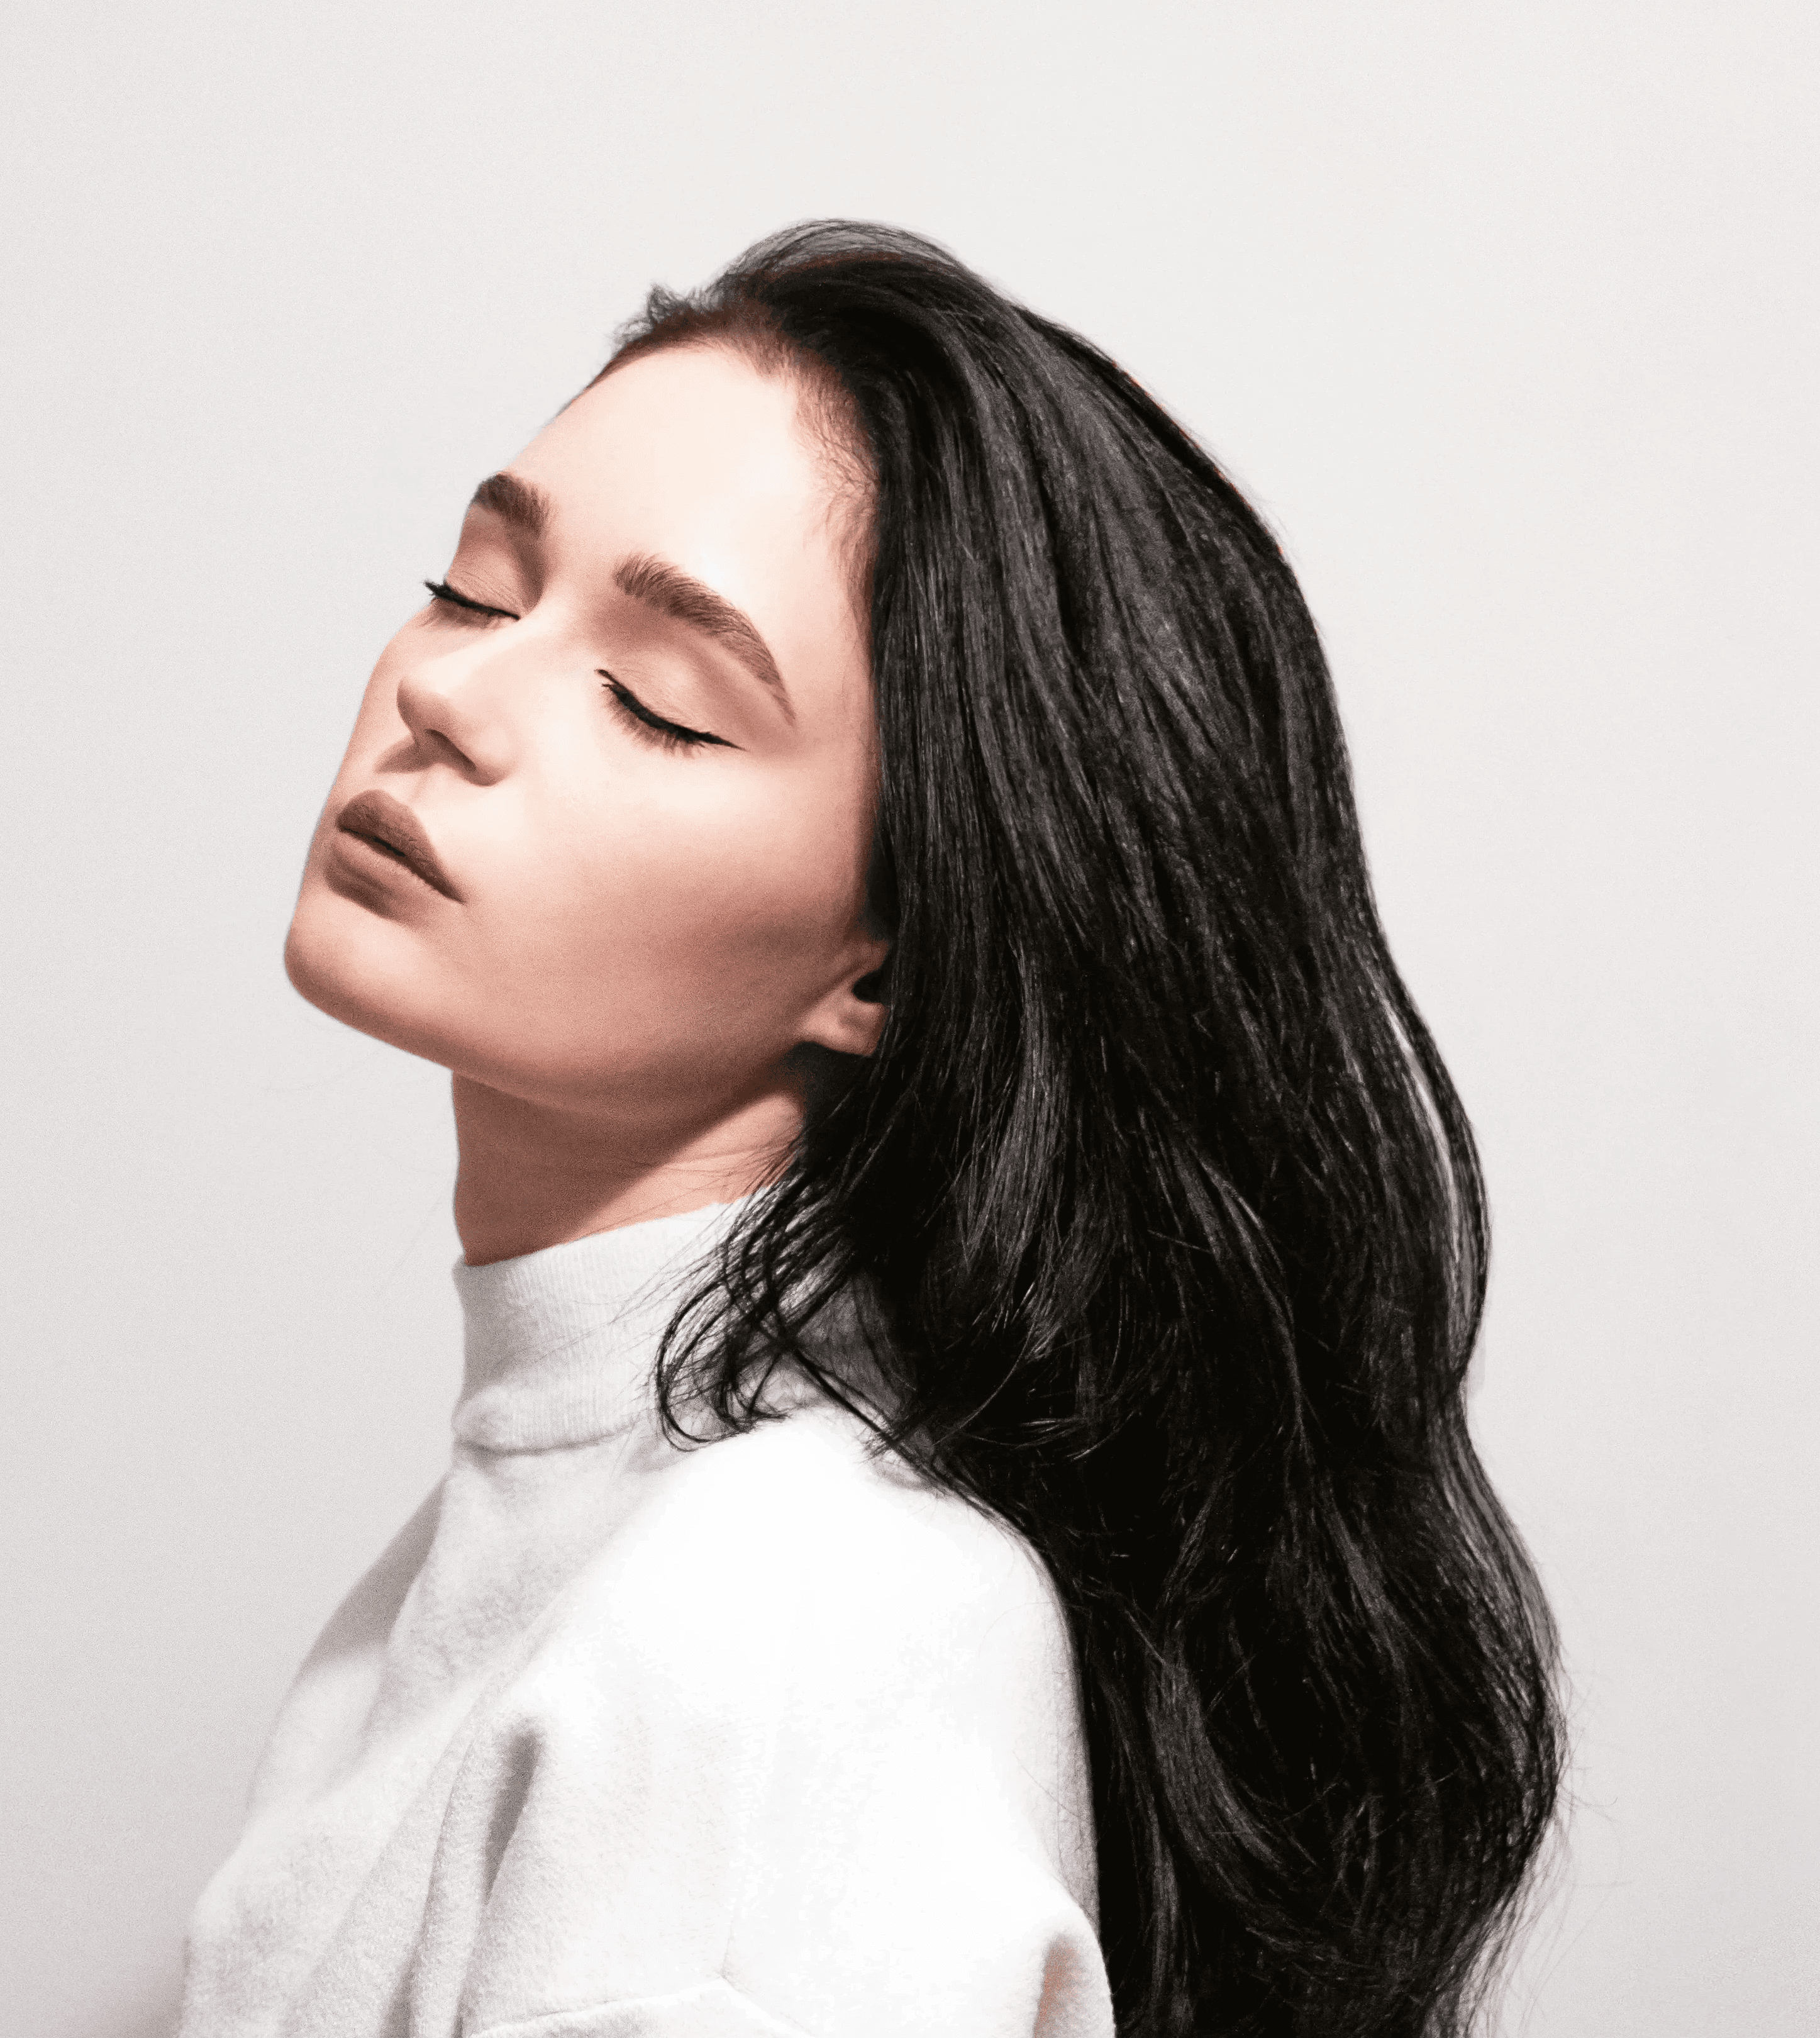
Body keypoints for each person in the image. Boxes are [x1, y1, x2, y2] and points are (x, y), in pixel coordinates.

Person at [175, 221, 1563, 2038]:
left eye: (655, 701)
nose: (451, 696)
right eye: (471, 587)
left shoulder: (800, 1620)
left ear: (892, 959)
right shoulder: (553, 1545)